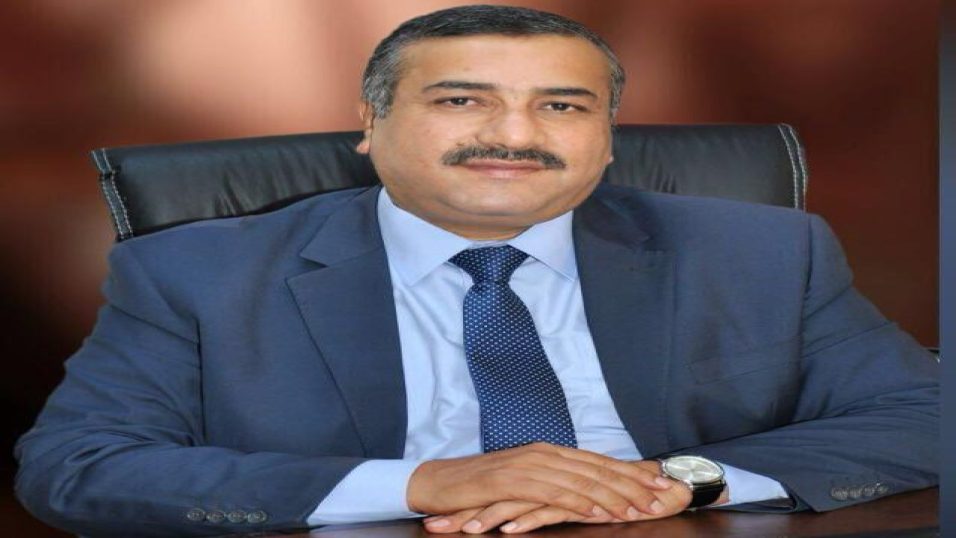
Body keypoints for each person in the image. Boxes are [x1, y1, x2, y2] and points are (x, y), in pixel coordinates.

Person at [15, 4, 938, 537]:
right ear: (371, 126)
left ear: (607, 138)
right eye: (462, 101)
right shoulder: (196, 272)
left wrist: (678, 479)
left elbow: (927, 415)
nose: (514, 135)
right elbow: (78, 468)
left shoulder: (762, 251)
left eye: (563, 107)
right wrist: (422, 484)